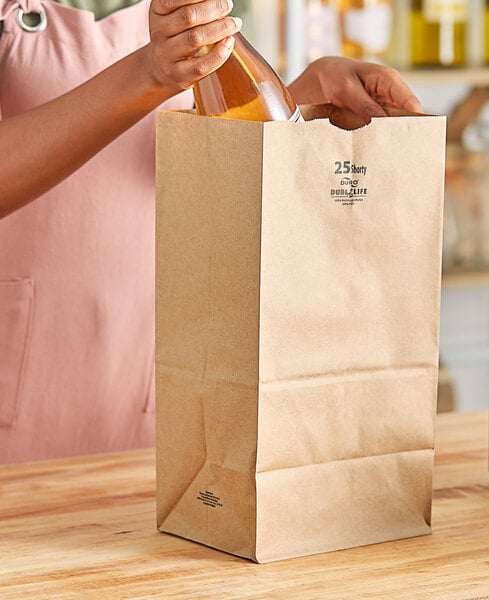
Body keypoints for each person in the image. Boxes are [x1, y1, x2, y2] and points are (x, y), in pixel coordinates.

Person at [0, 0, 422, 464]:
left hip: (169, 353)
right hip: (27, 365)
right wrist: (149, 73)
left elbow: (215, 138)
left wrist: (305, 93)